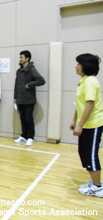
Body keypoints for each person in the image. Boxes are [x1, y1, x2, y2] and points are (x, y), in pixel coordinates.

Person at [69, 54, 103, 198]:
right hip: (85, 124)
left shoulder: (90, 81)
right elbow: (80, 105)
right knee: (83, 153)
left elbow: (90, 104)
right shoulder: (83, 82)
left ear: (85, 66)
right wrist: (74, 121)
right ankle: (94, 182)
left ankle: (97, 187)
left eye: (78, 64)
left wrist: (80, 125)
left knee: (90, 155)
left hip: (93, 124)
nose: (76, 66)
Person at [14, 50, 45, 146]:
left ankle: (30, 137)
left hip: (29, 99)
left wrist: (29, 84)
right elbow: (16, 85)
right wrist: (15, 97)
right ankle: (23, 136)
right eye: (20, 57)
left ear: (27, 58)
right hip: (20, 99)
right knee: (22, 119)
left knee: (28, 119)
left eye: (21, 57)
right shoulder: (19, 71)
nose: (20, 59)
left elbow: (41, 80)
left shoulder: (31, 69)